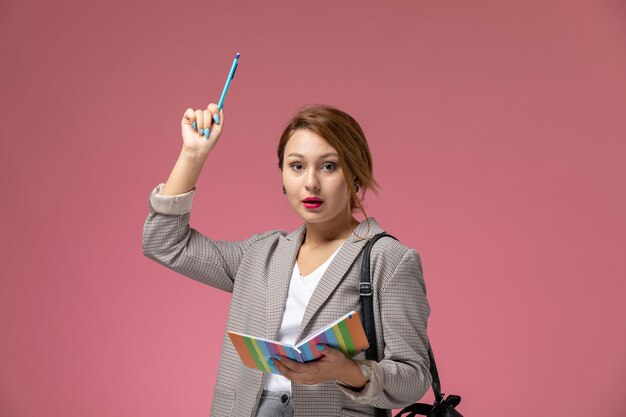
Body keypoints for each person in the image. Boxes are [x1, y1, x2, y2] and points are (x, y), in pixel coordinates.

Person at [142, 103, 432, 417]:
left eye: (329, 166)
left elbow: (415, 376)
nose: (311, 182)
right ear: (282, 176)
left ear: (355, 175)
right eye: (296, 166)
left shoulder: (388, 260)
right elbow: (164, 243)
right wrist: (192, 154)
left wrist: (348, 371)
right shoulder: (261, 253)